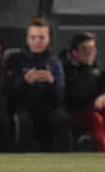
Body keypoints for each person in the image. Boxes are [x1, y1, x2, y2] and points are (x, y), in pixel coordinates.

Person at [5, 17, 71, 152]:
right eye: (33, 37)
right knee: (23, 120)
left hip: (47, 110)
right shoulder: (15, 61)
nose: (37, 42)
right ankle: (21, 162)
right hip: (24, 109)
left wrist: (52, 82)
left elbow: (60, 98)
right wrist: (25, 82)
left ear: (48, 39)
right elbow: (9, 95)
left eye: (41, 37)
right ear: (27, 39)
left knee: (61, 117)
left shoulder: (55, 63)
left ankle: (64, 162)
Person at [62, 32, 105, 152]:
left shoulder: (96, 70)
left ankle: (104, 142)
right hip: (71, 115)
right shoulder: (65, 69)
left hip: (92, 112)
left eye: (92, 48)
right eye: (84, 49)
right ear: (74, 53)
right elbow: (78, 96)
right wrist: (86, 67)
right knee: (95, 117)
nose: (89, 52)